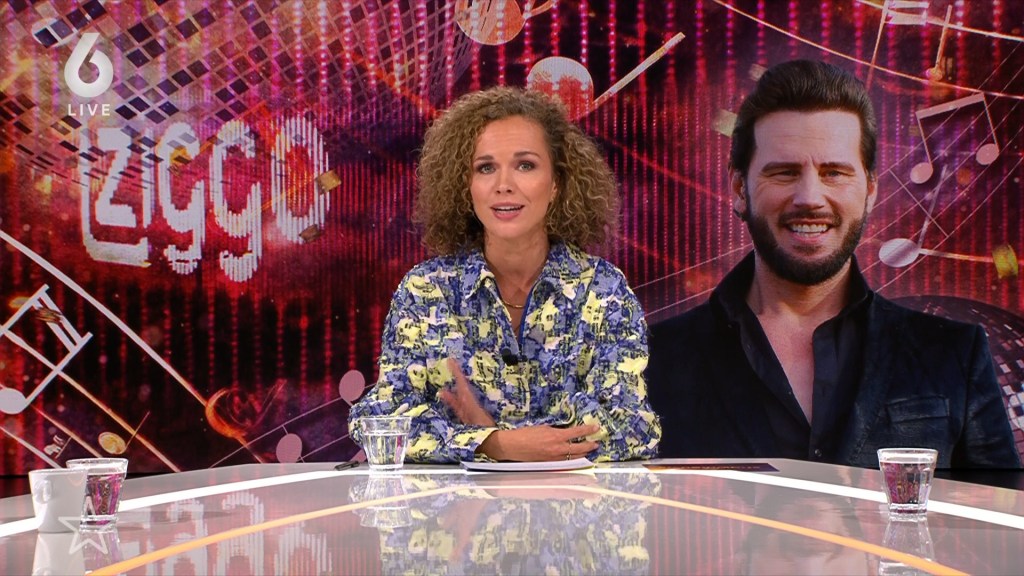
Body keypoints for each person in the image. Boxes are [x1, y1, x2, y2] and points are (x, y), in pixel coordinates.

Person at [646, 59, 1020, 469]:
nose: (810, 197)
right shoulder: (652, 360)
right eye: (784, 172)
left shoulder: (955, 355)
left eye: (834, 173)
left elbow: (1001, 509)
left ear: (870, 190)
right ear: (739, 189)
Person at [348, 87, 661, 463]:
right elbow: (379, 420)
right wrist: (493, 443)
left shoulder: (603, 289)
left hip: (573, 499)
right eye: (485, 168)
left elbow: (633, 427)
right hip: (457, 502)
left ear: (556, 183)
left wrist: (484, 433)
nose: (503, 184)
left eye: (525, 165)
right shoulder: (426, 292)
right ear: (466, 187)